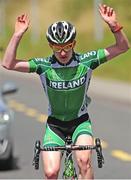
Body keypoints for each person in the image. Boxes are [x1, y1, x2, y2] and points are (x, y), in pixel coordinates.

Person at [2, 4, 130, 180]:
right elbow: (8, 63)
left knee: (84, 161)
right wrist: (17, 35)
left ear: (74, 44)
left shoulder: (86, 61)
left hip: (80, 123)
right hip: (55, 126)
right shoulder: (44, 66)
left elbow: (123, 47)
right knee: (51, 172)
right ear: (50, 46)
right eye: (56, 47)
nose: (62, 52)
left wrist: (114, 26)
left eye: (67, 46)